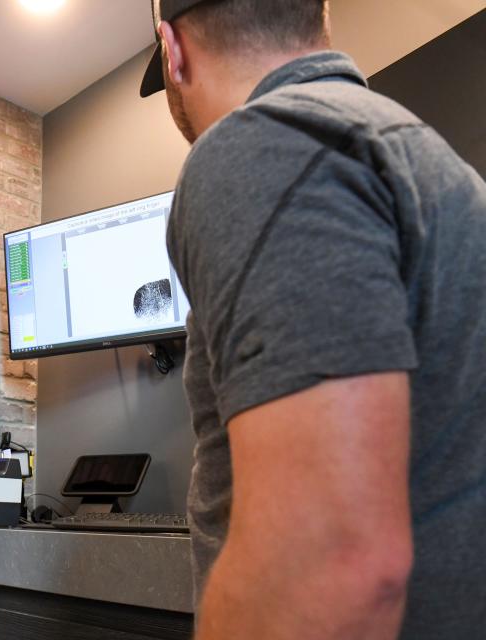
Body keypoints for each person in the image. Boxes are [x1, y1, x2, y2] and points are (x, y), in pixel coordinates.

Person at [141, 1, 486, 638]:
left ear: (172, 49)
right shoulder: (423, 159)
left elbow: (332, 568)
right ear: (321, 18)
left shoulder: (263, 146)